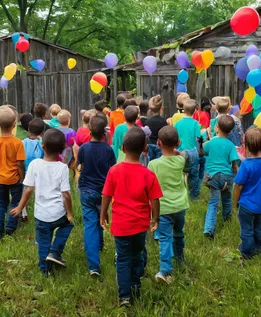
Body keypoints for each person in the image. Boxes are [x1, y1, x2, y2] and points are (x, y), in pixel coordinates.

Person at [101, 127, 162, 306]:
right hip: (140, 225)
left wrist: (103, 213)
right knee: (137, 256)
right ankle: (135, 286)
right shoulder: (148, 174)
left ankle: (124, 296)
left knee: (123, 258)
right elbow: (155, 199)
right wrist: (155, 218)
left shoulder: (114, 171)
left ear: (122, 148)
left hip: (120, 226)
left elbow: (106, 195)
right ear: (145, 148)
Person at [11, 129, 73, 275]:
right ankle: (55, 251)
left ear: (42, 146)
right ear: (62, 150)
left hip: (41, 215)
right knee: (68, 226)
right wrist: (69, 213)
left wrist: (20, 207)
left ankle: (45, 270)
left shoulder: (34, 164)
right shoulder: (63, 168)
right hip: (58, 213)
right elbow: (66, 195)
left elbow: (28, 189)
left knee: (43, 243)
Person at [148, 126, 189, 284]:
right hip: (180, 205)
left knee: (165, 238)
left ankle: (165, 271)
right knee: (178, 234)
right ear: (178, 143)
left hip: (162, 208)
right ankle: (180, 260)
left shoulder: (153, 164)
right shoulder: (180, 160)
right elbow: (183, 155)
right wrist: (177, 150)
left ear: (158, 143)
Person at [77, 115, 116, 276]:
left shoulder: (84, 148)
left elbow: (82, 166)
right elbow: (112, 169)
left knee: (90, 224)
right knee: (102, 215)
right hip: (104, 191)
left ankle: (94, 265)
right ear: (104, 133)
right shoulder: (108, 149)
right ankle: (100, 246)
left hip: (86, 189)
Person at [233, 128, 261, 259]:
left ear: (246, 146)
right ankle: (258, 247)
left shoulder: (246, 164)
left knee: (246, 230)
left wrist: (235, 203)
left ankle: (246, 253)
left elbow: (238, 186)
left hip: (246, 204)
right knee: (258, 227)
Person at [0, 107, 26, 239]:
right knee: (15, 203)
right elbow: (20, 163)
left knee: (0, 203)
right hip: (15, 179)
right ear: (14, 124)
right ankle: (10, 228)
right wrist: (22, 177)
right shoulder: (18, 143)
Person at [202, 115, 239, 238]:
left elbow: (202, 151)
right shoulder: (231, 145)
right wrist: (238, 178)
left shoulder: (211, 143)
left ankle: (208, 229)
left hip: (213, 176)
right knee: (227, 200)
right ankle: (227, 221)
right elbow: (234, 165)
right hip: (227, 177)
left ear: (217, 128)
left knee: (213, 202)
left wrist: (204, 140)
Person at [174, 100, 202, 200]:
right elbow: (198, 138)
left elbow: (175, 138)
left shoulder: (177, 124)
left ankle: (179, 193)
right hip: (192, 151)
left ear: (183, 110)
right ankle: (194, 196)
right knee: (194, 175)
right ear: (195, 111)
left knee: (179, 173)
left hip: (180, 151)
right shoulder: (195, 124)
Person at [21, 118, 46, 222]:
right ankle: (41, 212)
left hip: (25, 171)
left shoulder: (22, 143)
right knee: (40, 192)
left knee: (24, 192)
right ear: (42, 132)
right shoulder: (42, 144)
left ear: (28, 129)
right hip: (39, 172)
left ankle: (23, 213)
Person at [146, 95, 167, 161]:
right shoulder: (164, 121)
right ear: (161, 109)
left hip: (150, 147)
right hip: (160, 147)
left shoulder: (147, 122)